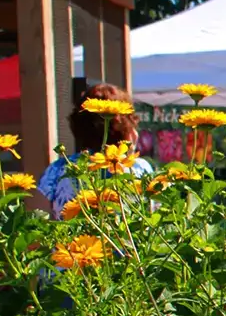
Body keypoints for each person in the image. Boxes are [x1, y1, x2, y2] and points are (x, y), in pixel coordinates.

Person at [40, 83, 154, 219]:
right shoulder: (139, 168)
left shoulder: (58, 169)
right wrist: (127, 156)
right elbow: (148, 223)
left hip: (71, 240)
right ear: (126, 126)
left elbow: (38, 223)